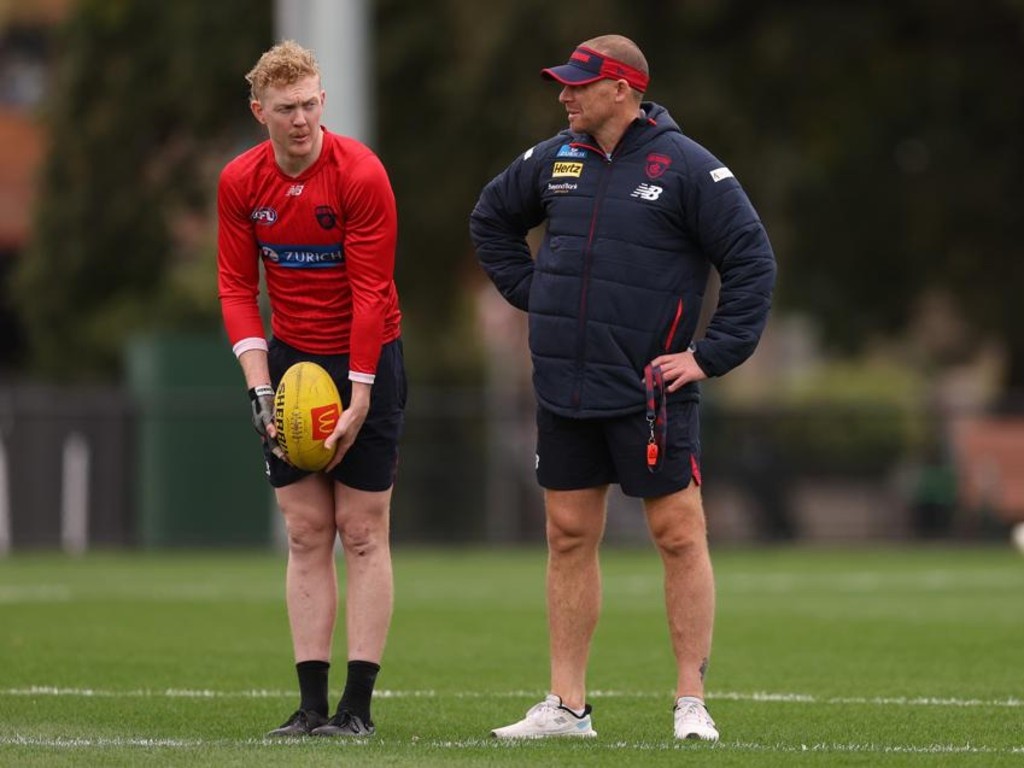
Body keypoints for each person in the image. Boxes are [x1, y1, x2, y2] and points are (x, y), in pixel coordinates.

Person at [470, 34, 776, 742]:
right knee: (568, 535)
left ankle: (691, 703)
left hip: (651, 392)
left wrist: (708, 356)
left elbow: (753, 262)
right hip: (563, 386)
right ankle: (567, 707)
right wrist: (538, 295)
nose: (564, 94)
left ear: (622, 90)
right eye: (564, 84)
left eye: (578, 84)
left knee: (677, 535)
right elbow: (490, 220)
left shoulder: (689, 168)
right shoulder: (555, 159)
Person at [217, 40, 406, 738]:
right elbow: (237, 287)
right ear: (259, 110)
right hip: (291, 362)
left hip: (368, 354)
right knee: (305, 530)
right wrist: (259, 387)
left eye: (310, 105)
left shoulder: (361, 174)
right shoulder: (240, 181)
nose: (300, 120)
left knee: (361, 531)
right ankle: (309, 707)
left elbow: (370, 291)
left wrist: (358, 397)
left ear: (323, 102)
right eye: (285, 108)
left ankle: (356, 710)